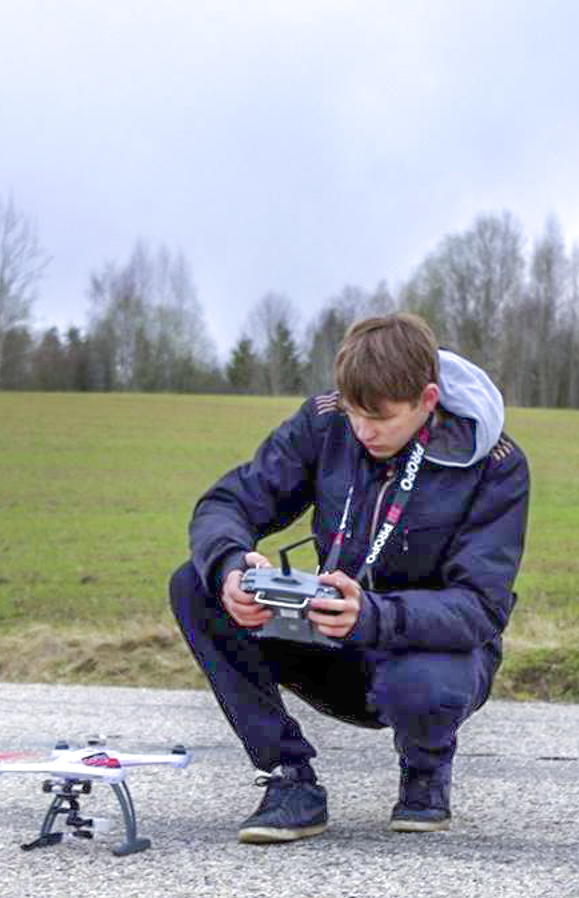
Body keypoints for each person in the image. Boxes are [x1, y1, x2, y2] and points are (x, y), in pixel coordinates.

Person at [169, 312, 529, 843]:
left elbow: (480, 608)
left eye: (381, 418)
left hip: (426, 653)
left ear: (428, 400)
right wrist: (229, 567)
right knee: (193, 586)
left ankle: (425, 769)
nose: (364, 431)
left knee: (424, 686)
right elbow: (227, 503)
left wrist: (372, 615)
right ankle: (291, 780)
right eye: (355, 413)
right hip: (330, 631)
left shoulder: (496, 465)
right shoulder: (327, 421)